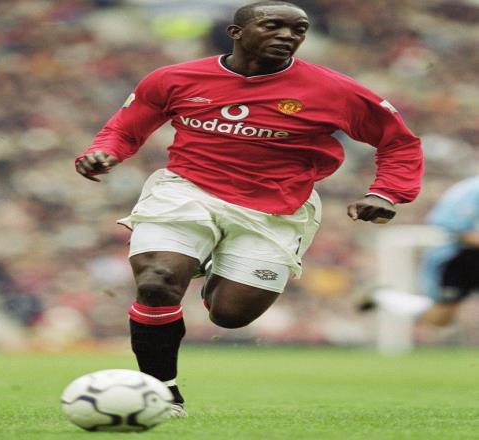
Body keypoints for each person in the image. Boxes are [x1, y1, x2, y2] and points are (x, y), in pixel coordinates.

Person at [75, 0, 423, 416]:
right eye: (273, 25)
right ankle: (161, 391)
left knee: (231, 316)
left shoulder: (334, 90)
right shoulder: (173, 79)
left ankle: (212, 263)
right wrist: (104, 153)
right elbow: (124, 129)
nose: (287, 36)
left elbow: (399, 142)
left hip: (276, 207)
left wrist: (386, 193)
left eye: (298, 29)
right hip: (187, 191)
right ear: (236, 32)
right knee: (157, 280)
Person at [360, 176, 479, 327]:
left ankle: (384, 296)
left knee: (441, 318)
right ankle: (384, 297)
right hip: (461, 259)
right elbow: (448, 227)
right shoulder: (471, 191)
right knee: (440, 317)